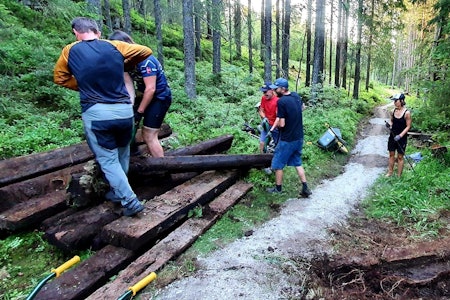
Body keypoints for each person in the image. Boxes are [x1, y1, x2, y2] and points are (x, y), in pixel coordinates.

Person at [54, 17, 153, 216]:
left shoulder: (70, 50)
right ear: (97, 32)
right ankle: (118, 193)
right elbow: (145, 51)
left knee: (108, 160)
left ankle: (130, 200)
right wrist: (123, 64)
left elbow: (59, 78)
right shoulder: (114, 46)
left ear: (76, 32)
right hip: (124, 111)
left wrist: (82, 83)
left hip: (97, 113)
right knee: (123, 152)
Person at [109, 30, 172, 158]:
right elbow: (129, 85)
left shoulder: (145, 60)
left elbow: (151, 89)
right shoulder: (125, 62)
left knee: (149, 134)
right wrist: (131, 106)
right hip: (143, 94)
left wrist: (140, 111)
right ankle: (136, 155)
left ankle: (162, 170)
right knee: (129, 125)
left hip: (160, 97)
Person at [266, 78, 312, 198]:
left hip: (287, 139)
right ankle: (305, 187)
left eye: (276, 88)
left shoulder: (281, 102)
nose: (274, 90)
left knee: (277, 164)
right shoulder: (296, 96)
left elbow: (282, 124)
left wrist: (277, 127)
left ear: (283, 89)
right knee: (297, 162)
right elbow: (303, 108)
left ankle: (278, 189)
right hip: (299, 137)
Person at [385, 93, 412, 177]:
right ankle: (390, 172)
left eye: (396, 101)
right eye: (394, 101)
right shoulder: (393, 111)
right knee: (391, 154)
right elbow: (392, 121)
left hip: (402, 138)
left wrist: (400, 136)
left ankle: (399, 175)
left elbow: (408, 126)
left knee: (400, 157)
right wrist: (389, 124)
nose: (395, 103)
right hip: (392, 136)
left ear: (402, 101)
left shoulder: (407, 113)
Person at [258, 82, 279, 154]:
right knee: (262, 143)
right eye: (263, 92)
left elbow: (279, 117)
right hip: (266, 124)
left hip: (275, 126)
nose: (264, 94)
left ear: (271, 90)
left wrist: (273, 128)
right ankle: (261, 160)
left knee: (278, 144)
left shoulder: (277, 101)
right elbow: (261, 110)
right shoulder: (263, 98)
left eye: (265, 92)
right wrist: (264, 118)